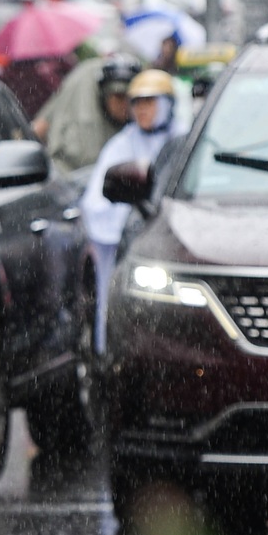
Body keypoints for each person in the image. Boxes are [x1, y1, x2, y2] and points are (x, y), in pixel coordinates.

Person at [80, 68, 186, 352]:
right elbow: (96, 204)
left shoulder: (187, 142)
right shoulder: (121, 145)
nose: (142, 110)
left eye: (150, 102)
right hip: (133, 248)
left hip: (180, 241)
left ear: (168, 104)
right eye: (137, 103)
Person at [32, 53, 138, 175]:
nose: (125, 105)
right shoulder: (80, 87)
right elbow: (40, 125)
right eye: (119, 97)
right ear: (104, 93)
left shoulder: (139, 131)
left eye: (130, 99)